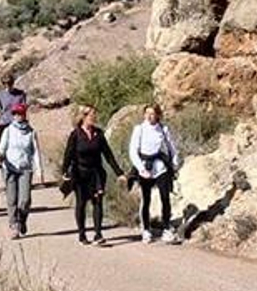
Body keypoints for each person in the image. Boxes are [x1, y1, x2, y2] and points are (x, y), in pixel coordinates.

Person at [62, 104, 123, 245]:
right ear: (83, 117)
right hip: (80, 173)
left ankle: (98, 234)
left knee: (98, 203)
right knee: (81, 203)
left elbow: (108, 155)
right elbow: (68, 155)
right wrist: (65, 172)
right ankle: (82, 234)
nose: (94, 118)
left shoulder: (99, 134)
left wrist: (119, 172)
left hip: (96, 174)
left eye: (94, 115)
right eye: (91, 115)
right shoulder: (75, 134)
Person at [128, 104, 181, 243]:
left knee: (165, 197)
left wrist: (174, 162)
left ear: (158, 115)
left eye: (153, 114)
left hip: (160, 167)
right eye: (147, 113)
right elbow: (133, 151)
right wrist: (140, 168)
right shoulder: (139, 129)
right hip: (145, 167)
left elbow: (171, 147)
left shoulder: (163, 129)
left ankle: (166, 228)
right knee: (146, 199)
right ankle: (146, 229)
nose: (150, 116)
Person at [0, 104, 45, 238]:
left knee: (25, 200)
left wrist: (39, 170)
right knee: (12, 199)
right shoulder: (8, 130)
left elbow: (35, 152)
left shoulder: (31, 132)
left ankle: (22, 219)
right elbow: (2, 147)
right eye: (15, 113)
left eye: (20, 113)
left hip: (25, 168)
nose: (17, 116)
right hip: (10, 168)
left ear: (24, 115)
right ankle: (14, 225)